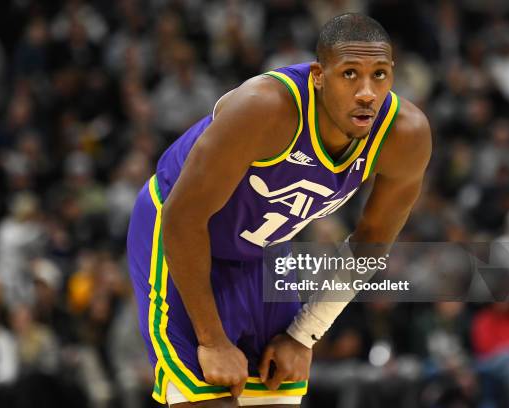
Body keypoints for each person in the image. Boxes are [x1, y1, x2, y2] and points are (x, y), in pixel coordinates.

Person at [127, 13, 431, 407]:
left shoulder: (405, 134)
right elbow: (184, 219)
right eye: (350, 74)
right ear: (319, 75)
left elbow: (372, 242)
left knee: (275, 393)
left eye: (380, 75)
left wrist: (304, 334)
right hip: (182, 237)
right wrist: (212, 339)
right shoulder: (265, 107)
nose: (367, 93)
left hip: (265, 253)